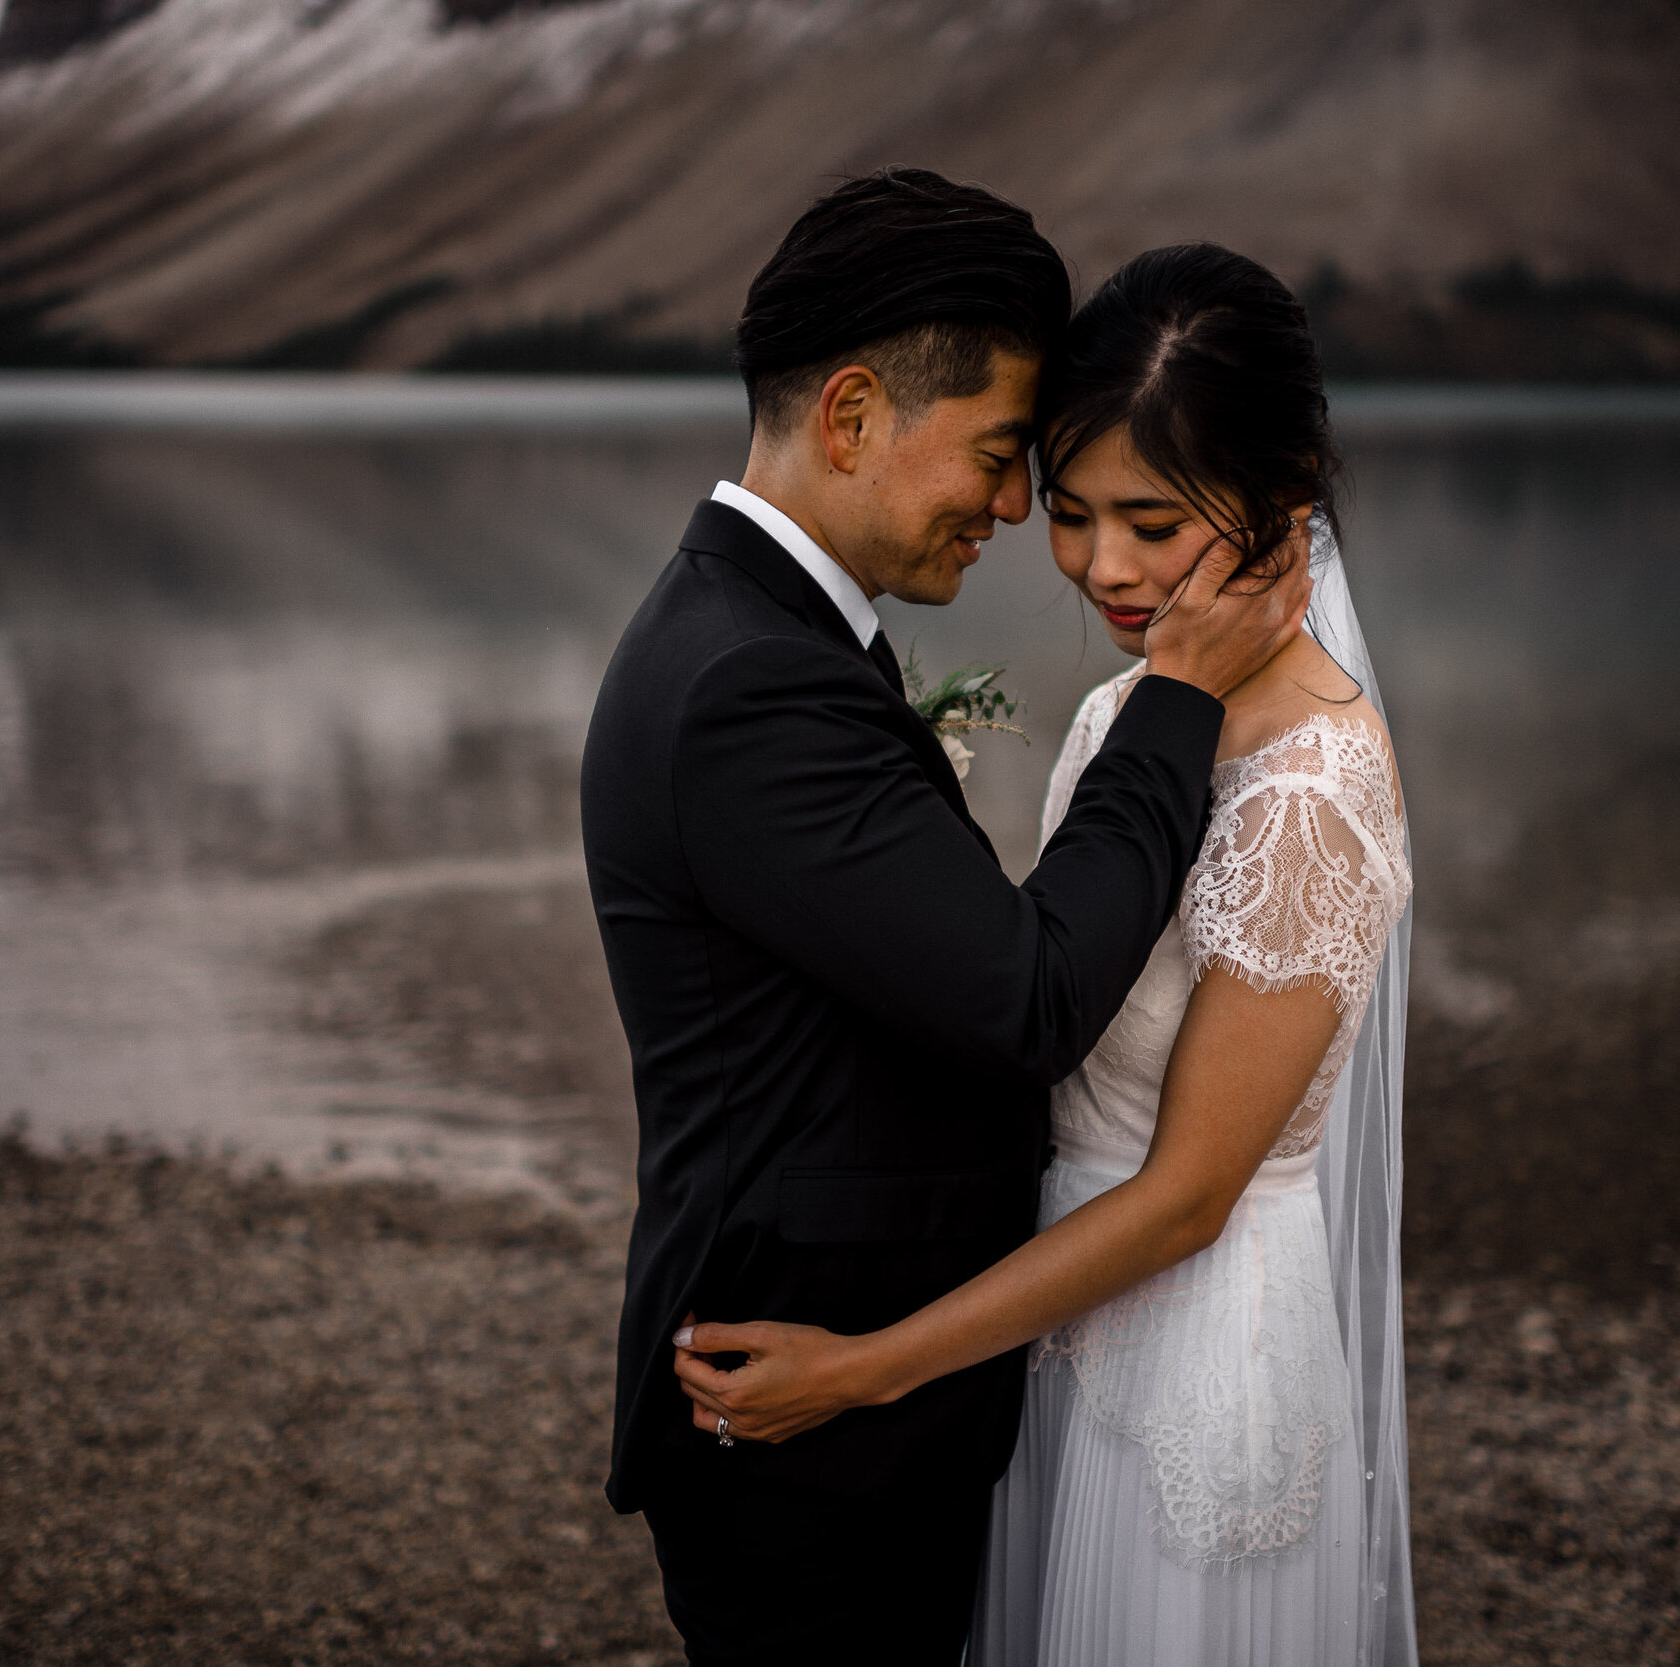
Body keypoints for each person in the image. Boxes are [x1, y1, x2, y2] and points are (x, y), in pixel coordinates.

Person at [579, 178, 1312, 1666]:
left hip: (854, 1400)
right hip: (811, 1425)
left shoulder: (753, 638)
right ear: (852, 418)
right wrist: (1176, 700)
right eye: (994, 456)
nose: (1012, 507)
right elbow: (1029, 998)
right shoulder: (753, 685)